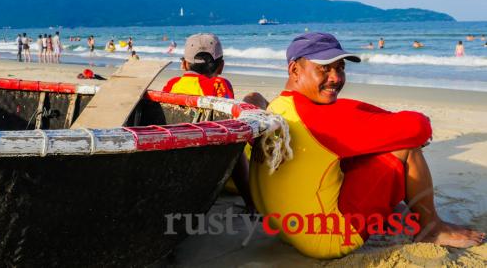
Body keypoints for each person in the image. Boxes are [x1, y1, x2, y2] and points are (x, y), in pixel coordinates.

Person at [248, 32, 485, 259]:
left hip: (283, 225)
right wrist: (404, 132)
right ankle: (432, 229)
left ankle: (396, 212)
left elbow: (354, 115)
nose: (336, 77)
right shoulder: (323, 119)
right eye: (324, 68)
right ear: (294, 70)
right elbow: (419, 127)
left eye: (340, 68)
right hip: (326, 236)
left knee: (358, 149)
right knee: (405, 148)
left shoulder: (280, 106)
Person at [162, 33, 253, 211]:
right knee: (252, 102)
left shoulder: (171, 85)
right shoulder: (220, 85)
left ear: (183, 64)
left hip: (184, 164)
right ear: (221, 66)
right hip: (223, 172)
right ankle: (251, 201)